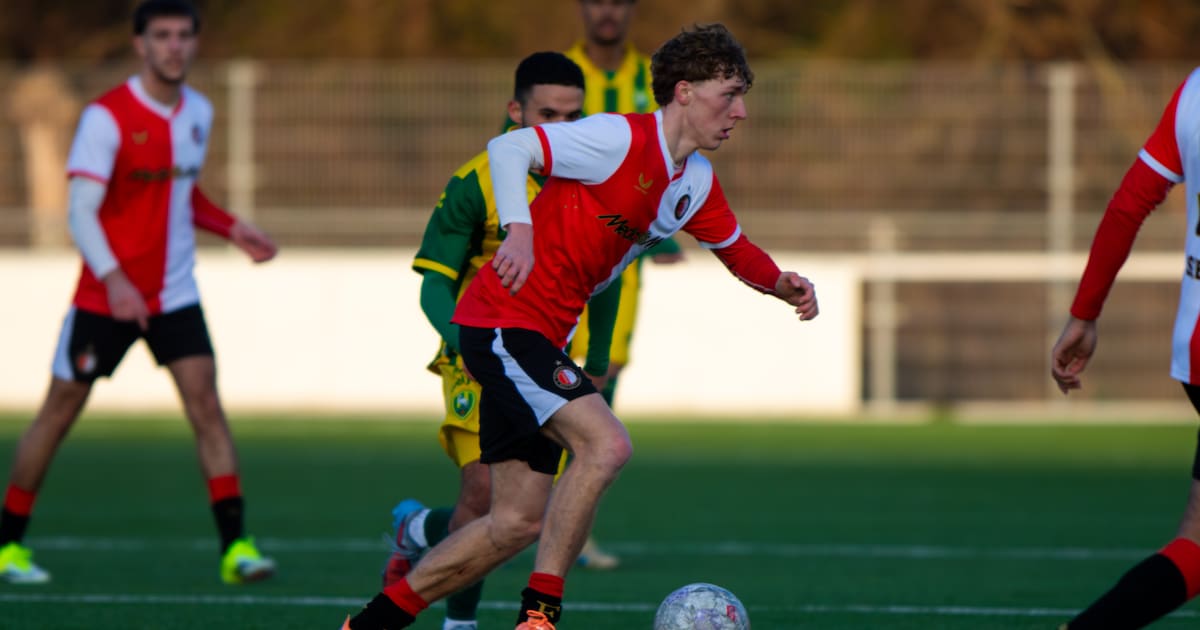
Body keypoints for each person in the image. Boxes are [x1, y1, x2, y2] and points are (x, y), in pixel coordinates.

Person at [342, 24, 818, 630]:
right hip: (503, 322)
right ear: (684, 92)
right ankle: (540, 614)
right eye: (729, 96)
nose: (740, 113)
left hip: (537, 336)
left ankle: (370, 624)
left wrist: (779, 283)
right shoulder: (616, 138)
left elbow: (735, 247)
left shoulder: (694, 180)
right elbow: (510, 150)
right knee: (607, 444)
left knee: (514, 523)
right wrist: (518, 228)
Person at [0, 0, 277, 586]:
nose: (174, 46)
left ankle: (236, 548)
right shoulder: (106, 118)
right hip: (105, 297)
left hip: (174, 293)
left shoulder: (199, 111)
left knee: (207, 407)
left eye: (183, 35)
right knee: (58, 412)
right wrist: (116, 280)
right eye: (162, 36)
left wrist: (232, 227)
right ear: (140, 45)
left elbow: (182, 193)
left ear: (195, 43)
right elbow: (80, 211)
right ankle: (7, 547)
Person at [382, 51, 592, 630]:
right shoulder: (477, 181)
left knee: (515, 511)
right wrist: (464, 345)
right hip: (475, 351)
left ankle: (417, 528)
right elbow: (434, 284)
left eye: (573, 117)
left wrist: (596, 357)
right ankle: (460, 622)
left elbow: (604, 278)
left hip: (543, 358)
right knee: (480, 492)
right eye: (547, 115)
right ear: (516, 112)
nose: (561, 129)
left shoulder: (593, 178)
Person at [1051, 67, 1200, 628]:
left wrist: (1084, 313)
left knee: (1197, 546)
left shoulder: (1194, 92)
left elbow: (1128, 204)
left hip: (1198, 353)